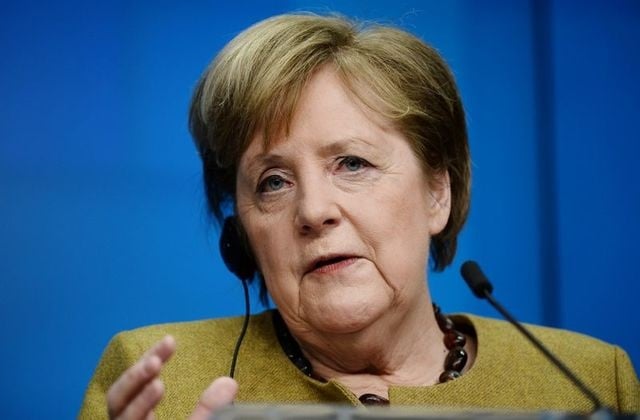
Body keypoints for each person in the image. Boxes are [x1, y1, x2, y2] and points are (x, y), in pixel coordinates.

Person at [79, 13, 640, 419]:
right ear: (242, 235)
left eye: (352, 163)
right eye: (273, 182)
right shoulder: (159, 383)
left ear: (436, 195)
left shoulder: (590, 381)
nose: (314, 211)